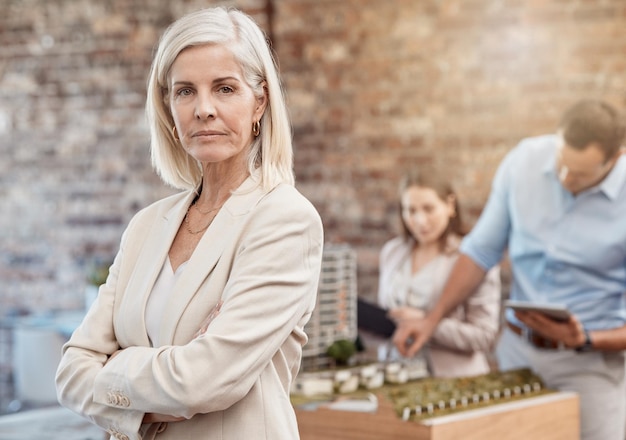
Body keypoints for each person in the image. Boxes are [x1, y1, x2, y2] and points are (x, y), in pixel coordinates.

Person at [55, 7, 324, 440]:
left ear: (260, 101)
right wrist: (146, 404)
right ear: (168, 106)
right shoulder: (146, 225)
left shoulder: (285, 219)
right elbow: (70, 371)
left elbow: (205, 380)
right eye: (185, 91)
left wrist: (116, 366)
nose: (204, 109)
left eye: (225, 88)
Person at [392, 99, 626, 440]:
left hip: (592, 368)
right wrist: (432, 319)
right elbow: (480, 252)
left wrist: (587, 338)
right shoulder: (524, 161)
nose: (564, 177)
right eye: (561, 163)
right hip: (518, 355)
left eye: (579, 173)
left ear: (616, 157)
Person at [378, 170, 500, 378]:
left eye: (428, 209)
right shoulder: (392, 252)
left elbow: (484, 337)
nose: (420, 220)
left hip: (455, 383)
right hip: (396, 378)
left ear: (450, 206)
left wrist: (427, 323)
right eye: (410, 210)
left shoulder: (471, 260)